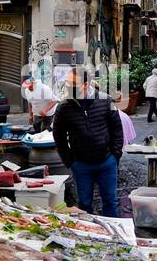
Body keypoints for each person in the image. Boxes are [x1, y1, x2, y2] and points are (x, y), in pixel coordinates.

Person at [52, 69, 123, 217]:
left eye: (73, 84)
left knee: (110, 201)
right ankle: (89, 235)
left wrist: (115, 155)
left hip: (106, 162)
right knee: (84, 204)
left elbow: (117, 129)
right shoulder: (63, 107)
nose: (69, 87)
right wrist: (69, 161)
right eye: (67, 83)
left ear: (85, 84)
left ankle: (114, 236)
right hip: (81, 165)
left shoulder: (106, 100)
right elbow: (58, 136)